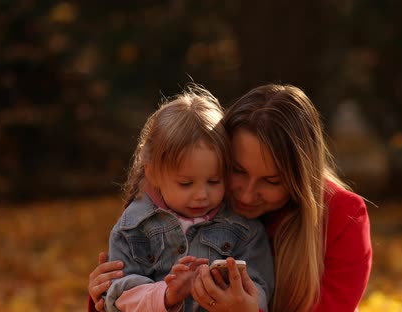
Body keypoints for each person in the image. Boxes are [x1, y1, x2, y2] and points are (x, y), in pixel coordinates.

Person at [89, 84, 372, 312]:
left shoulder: (342, 217)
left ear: (299, 178)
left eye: (272, 181)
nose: (248, 194)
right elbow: (130, 284)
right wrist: (102, 298)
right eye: (237, 171)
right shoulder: (182, 202)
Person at [100, 85, 274, 312]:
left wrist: (238, 300)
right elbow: (118, 294)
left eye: (214, 181)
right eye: (186, 183)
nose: (202, 195)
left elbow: (260, 286)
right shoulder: (134, 227)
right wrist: (167, 295)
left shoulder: (244, 229)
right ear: (153, 173)